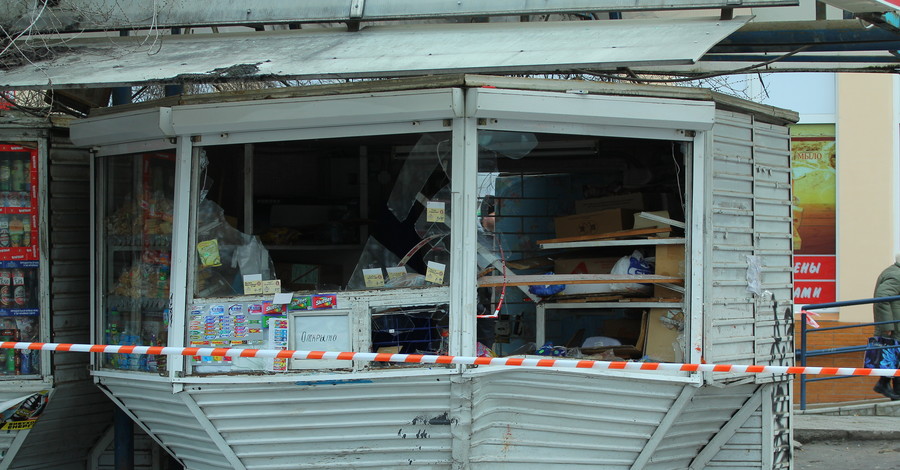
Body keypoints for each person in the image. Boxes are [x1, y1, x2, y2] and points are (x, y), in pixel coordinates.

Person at [872, 254, 900, 399]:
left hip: (895, 325)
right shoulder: (896, 275)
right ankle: (884, 385)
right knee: (894, 356)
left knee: (896, 357)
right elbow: (882, 297)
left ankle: (890, 387)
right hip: (895, 327)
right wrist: (886, 326)